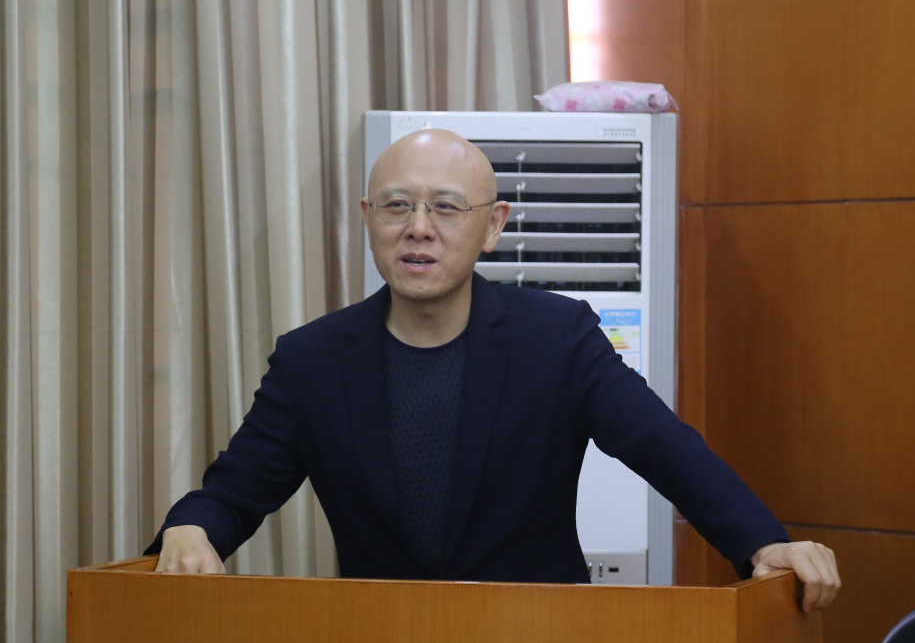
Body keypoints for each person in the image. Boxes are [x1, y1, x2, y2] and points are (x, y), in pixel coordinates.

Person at [148, 129, 841, 611]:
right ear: (368, 217)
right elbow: (233, 492)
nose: (419, 227)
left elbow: (666, 448)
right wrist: (191, 527)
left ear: (494, 224)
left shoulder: (556, 338)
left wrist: (760, 542)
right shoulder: (314, 360)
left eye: (447, 207)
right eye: (397, 205)